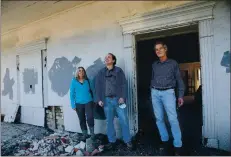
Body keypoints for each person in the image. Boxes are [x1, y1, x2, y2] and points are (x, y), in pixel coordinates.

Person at [150, 41, 185, 155]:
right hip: (155, 92)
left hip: (168, 93)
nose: (158, 51)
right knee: (159, 119)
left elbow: (179, 79)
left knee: (172, 119)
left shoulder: (173, 63)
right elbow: (152, 78)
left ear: (165, 49)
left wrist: (180, 95)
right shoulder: (154, 65)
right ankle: (165, 141)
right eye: (156, 49)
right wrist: (152, 91)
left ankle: (178, 145)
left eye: (160, 48)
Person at [95, 53, 133, 150]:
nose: (106, 58)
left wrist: (122, 97)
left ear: (113, 60)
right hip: (107, 101)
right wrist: (99, 99)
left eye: (109, 57)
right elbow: (98, 87)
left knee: (124, 119)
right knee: (109, 122)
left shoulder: (119, 71)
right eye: (105, 57)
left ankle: (127, 140)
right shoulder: (101, 73)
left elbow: (124, 84)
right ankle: (112, 141)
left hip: (118, 99)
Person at [70, 67, 95, 141]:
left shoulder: (88, 80)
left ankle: (92, 134)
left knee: (90, 118)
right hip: (78, 103)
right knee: (82, 119)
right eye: (79, 71)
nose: (81, 72)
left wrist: (94, 100)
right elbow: (72, 94)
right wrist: (73, 104)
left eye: (82, 70)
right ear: (77, 72)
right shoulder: (74, 81)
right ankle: (85, 134)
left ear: (84, 72)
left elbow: (93, 90)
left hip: (88, 102)